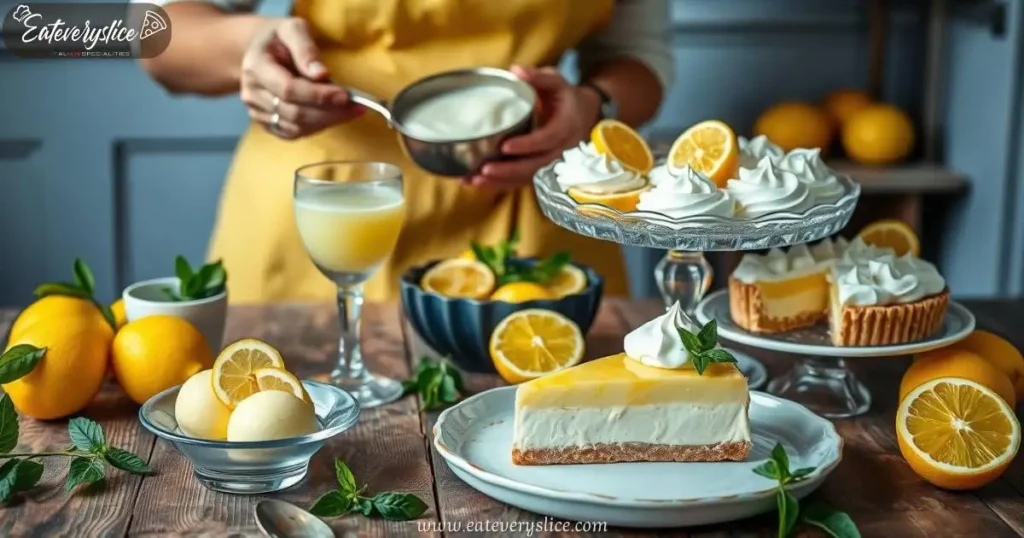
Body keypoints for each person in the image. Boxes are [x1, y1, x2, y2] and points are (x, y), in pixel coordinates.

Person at [140, 0, 673, 302]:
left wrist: (592, 105)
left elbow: (637, 57)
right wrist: (251, 46)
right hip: (320, 213)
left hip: (529, 221)